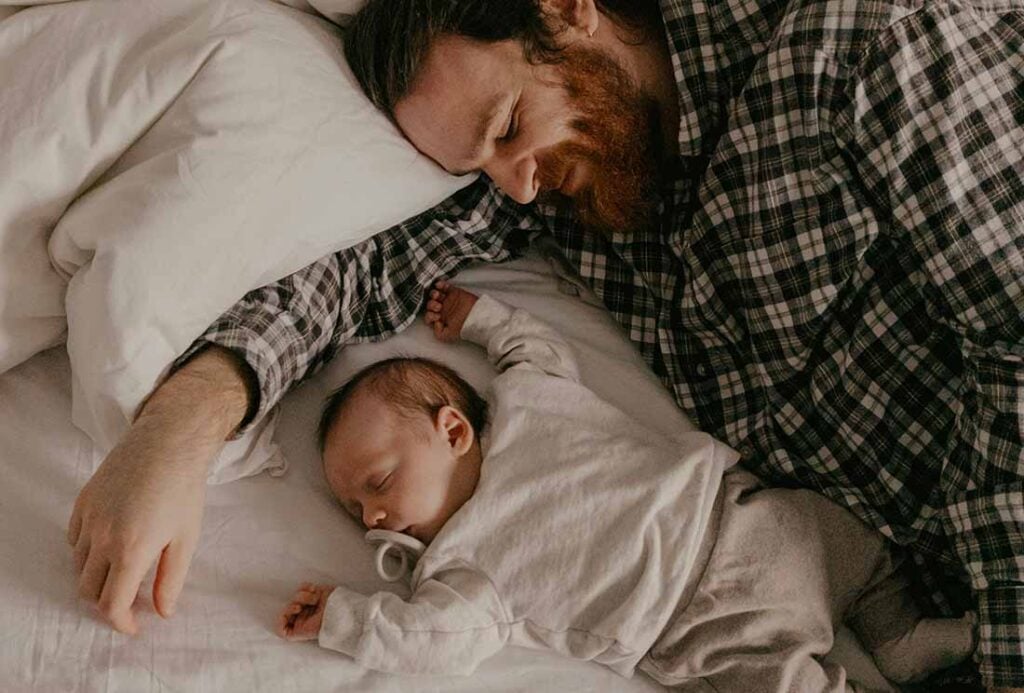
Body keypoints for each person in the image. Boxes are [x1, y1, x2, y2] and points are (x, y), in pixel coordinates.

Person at [68, 0, 1024, 686]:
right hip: (881, 589)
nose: (517, 186)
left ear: (572, 9)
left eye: (507, 128)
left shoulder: (864, 40)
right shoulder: (571, 192)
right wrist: (175, 431)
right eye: (481, 164)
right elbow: (347, 272)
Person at [276, 281, 976, 691]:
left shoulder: (528, 403)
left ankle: (901, 634)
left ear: (454, 429)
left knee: (849, 543)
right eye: (355, 506)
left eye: (378, 480)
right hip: (695, 625)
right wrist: (345, 617)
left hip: (738, 520)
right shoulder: (457, 570)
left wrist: (481, 318)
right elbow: (432, 639)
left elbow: (536, 347)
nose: (371, 513)